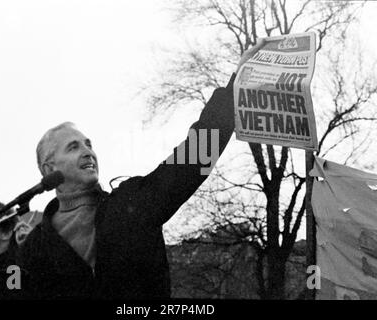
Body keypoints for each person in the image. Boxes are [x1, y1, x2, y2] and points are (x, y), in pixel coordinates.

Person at [17, 40, 266, 299]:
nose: (88, 151)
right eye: (73, 147)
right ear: (49, 168)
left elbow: (193, 159)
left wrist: (236, 88)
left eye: (88, 144)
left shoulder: (132, 203)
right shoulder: (35, 246)